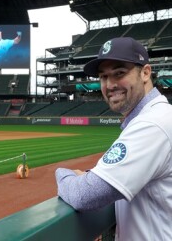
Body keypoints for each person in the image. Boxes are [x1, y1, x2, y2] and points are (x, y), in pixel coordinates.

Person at [55, 37, 172, 240]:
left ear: (145, 73)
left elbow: (84, 195)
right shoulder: (157, 116)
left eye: (119, 73)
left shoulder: (153, 124)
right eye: (103, 77)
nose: (109, 85)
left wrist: (63, 174)